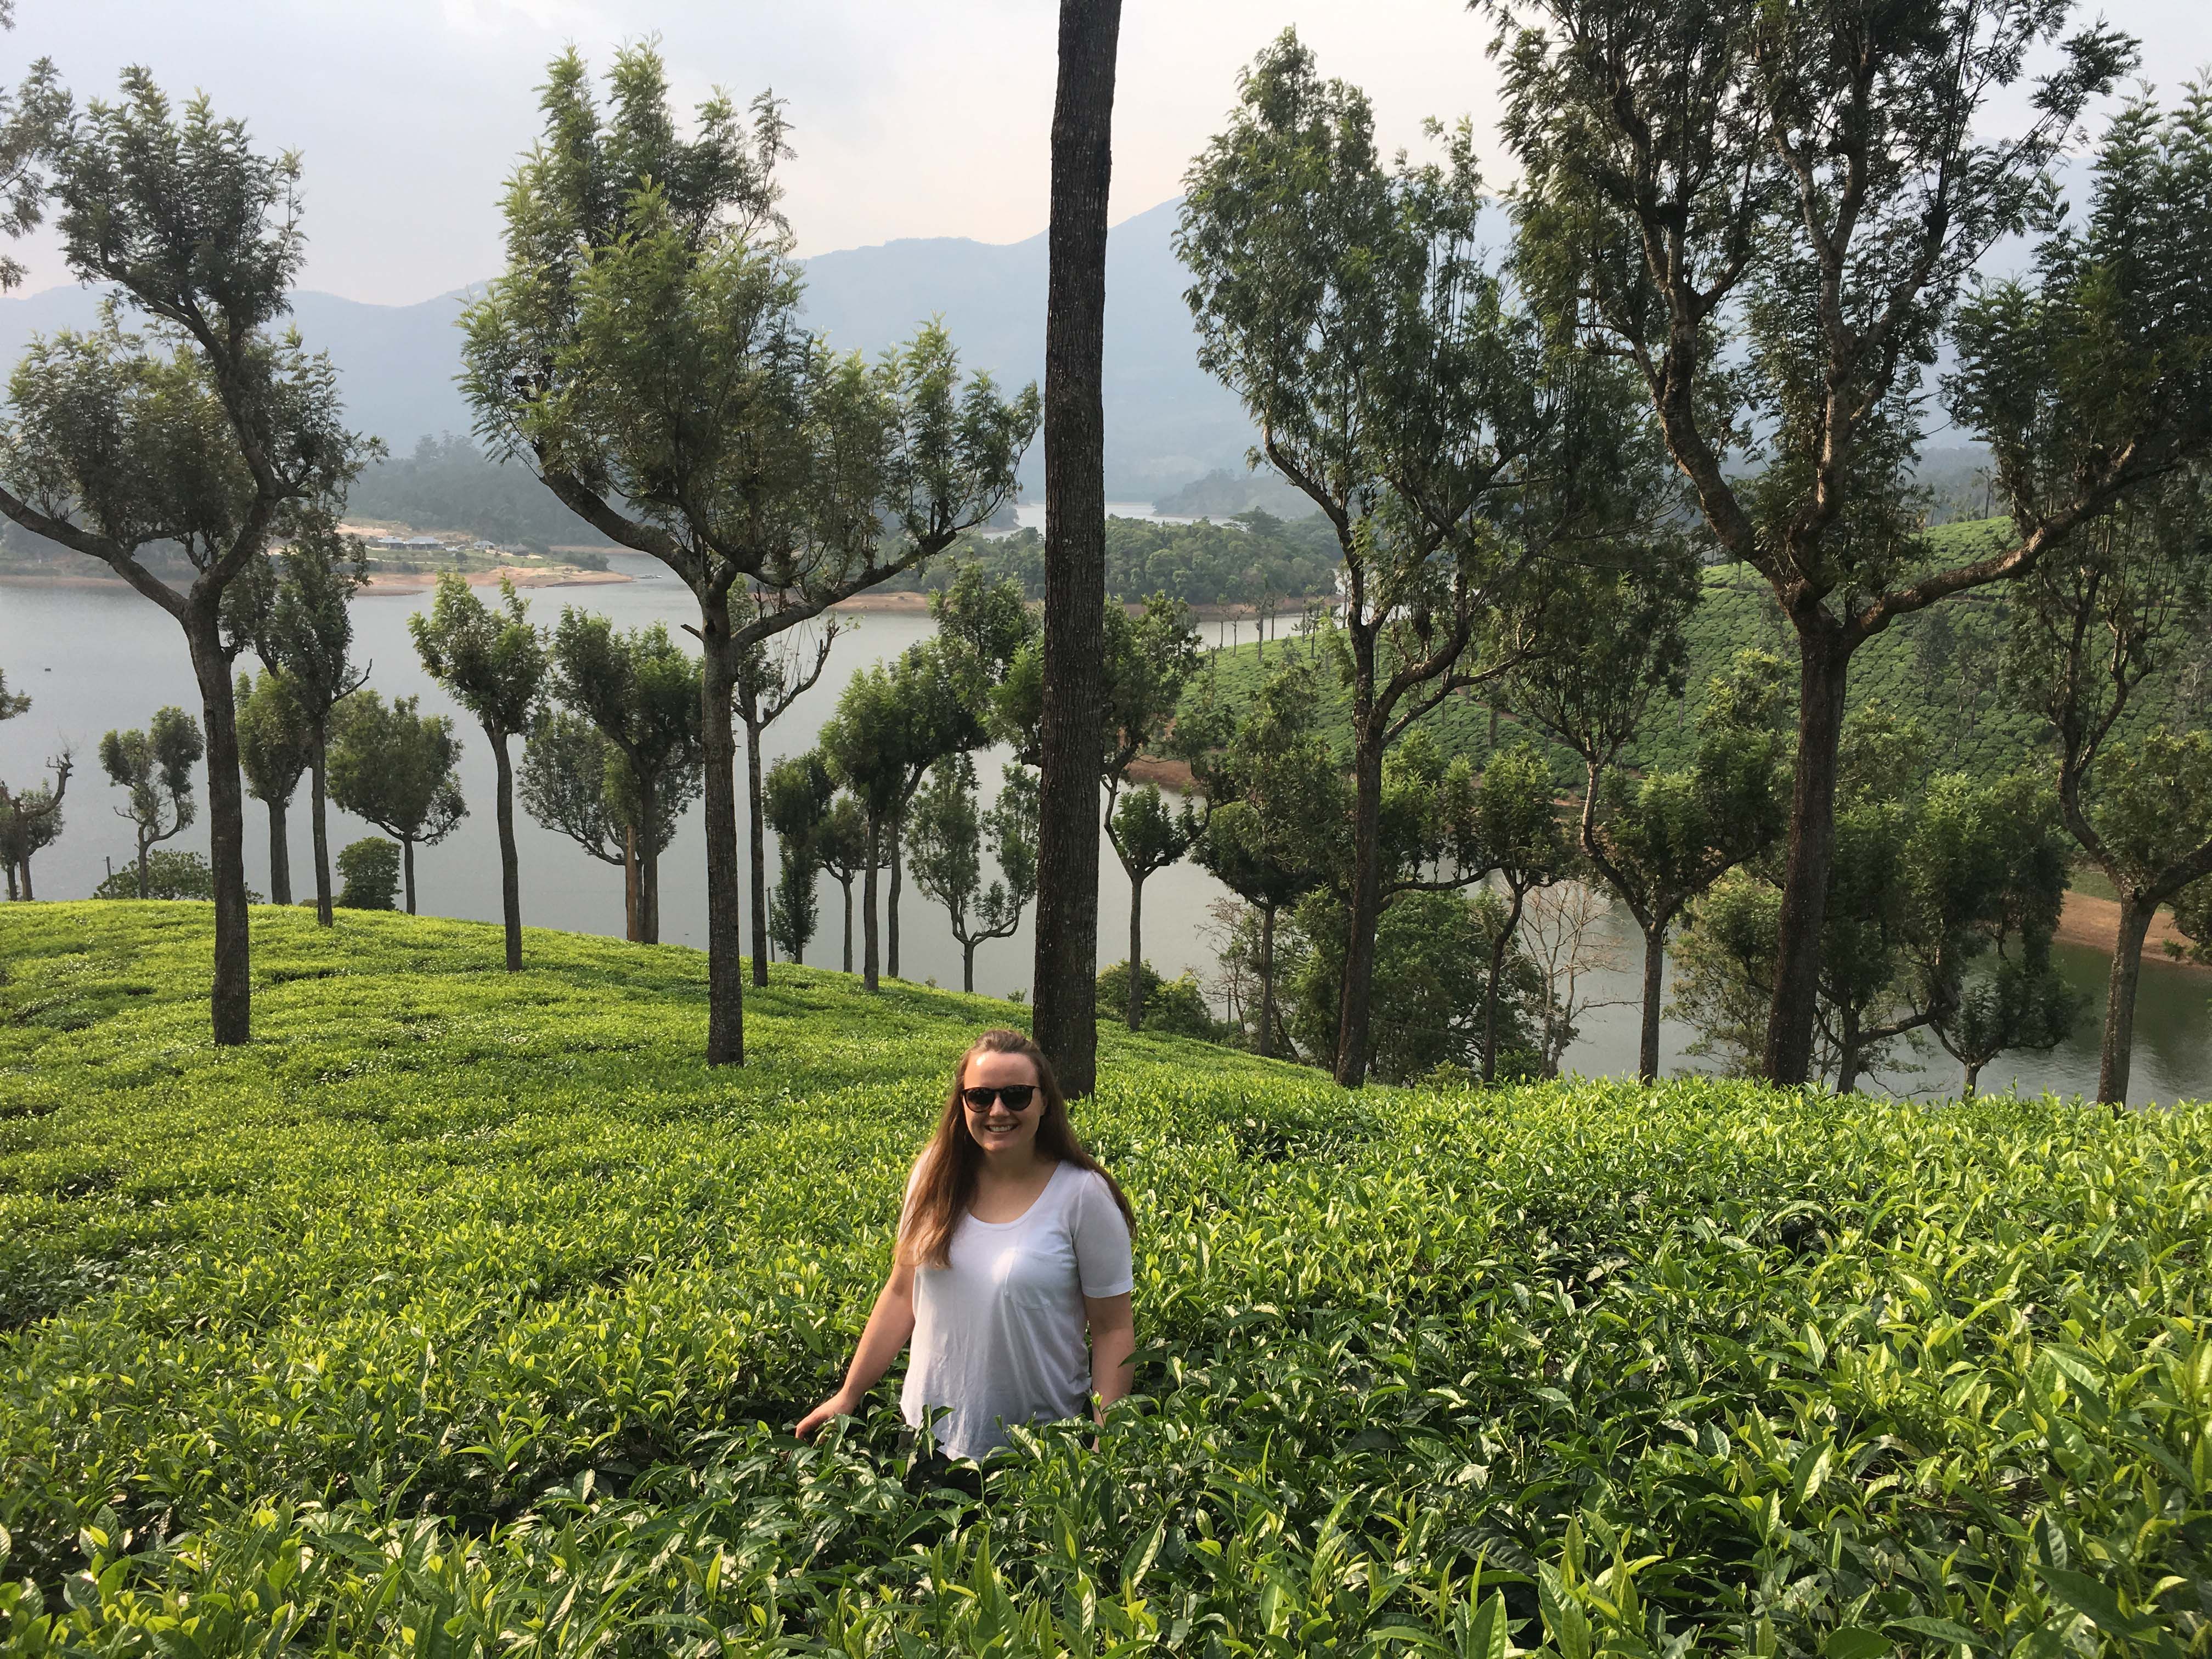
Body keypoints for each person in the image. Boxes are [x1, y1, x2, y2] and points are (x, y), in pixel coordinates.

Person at [793, 1028, 1137, 1471]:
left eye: (1016, 1096)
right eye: (980, 1097)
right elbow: (902, 1295)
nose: (998, 1111)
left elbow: (1113, 1330)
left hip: (1038, 1451)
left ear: (1045, 1101)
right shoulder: (934, 1176)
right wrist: (849, 1394)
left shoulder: (1083, 1195)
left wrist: (1101, 1448)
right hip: (926, 1440)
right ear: (962, 1104)